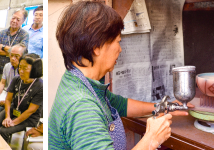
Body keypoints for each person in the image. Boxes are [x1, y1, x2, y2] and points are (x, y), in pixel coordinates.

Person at [49, 2, 193, 149]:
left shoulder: (78, 80)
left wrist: (164, 107)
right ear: (96, 47)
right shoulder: (82, 108)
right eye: (118, 41)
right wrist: (152, 139)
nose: (120, 49)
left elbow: (120, 104)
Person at [0, 53, 42, 143]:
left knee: (4, 131)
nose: (21, 71)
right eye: (20, 67)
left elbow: (31, 110)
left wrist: (14, 122)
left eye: (25, 68)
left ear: (34, 70)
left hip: (29, 118)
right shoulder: (16, 79)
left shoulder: (41, 86)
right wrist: (7, 117)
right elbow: (8, 99)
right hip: (14, 109)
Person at [0, 9, 29, 99]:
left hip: (13, 70)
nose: (14, 21)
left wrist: (3, 47)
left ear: (23, 21)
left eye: (18, 19)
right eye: (13, 18)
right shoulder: (2, 33)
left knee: (10, 95)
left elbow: (22, 51)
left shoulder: (24, 35)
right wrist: (12, 52)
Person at [0, 43, 24, 119]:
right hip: (7, 93)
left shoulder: (24, 71)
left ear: (23, 57)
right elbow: (2, 82)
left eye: (16, 56)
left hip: (17, 99)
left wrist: (6, 101)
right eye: (11, 55)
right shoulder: (7, 66)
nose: (13, 58)